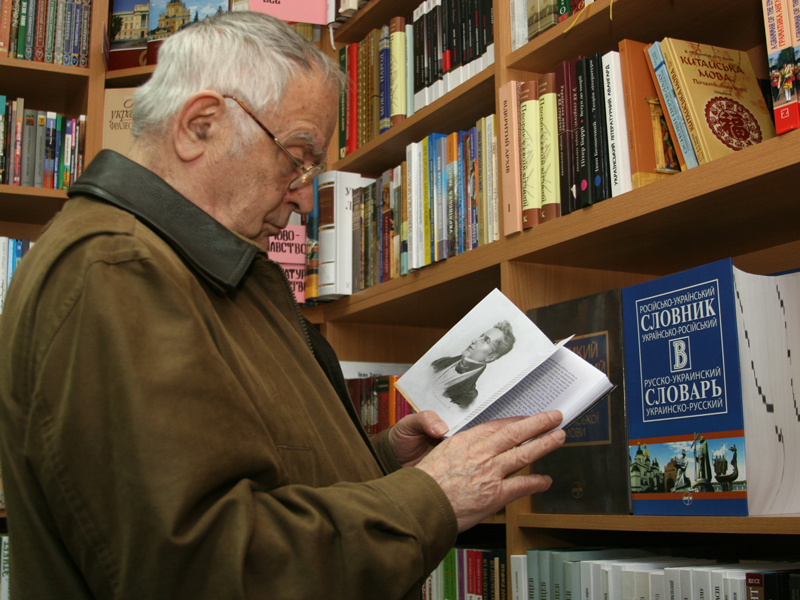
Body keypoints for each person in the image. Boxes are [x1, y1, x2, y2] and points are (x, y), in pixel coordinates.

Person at [0, 12, 566, 600]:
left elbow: (253, 474)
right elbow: (200, 566)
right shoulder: (118, 269)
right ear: (199, 126)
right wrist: (430, 496)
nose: (304, 197)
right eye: (296, 158)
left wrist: (384, 463)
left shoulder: (197, 265)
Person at [430, 321, 515, 408]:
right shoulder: (442, 361)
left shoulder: (468, 397)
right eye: (481, 336)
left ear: (491, 356)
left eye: (486, 340)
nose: (474, 341)